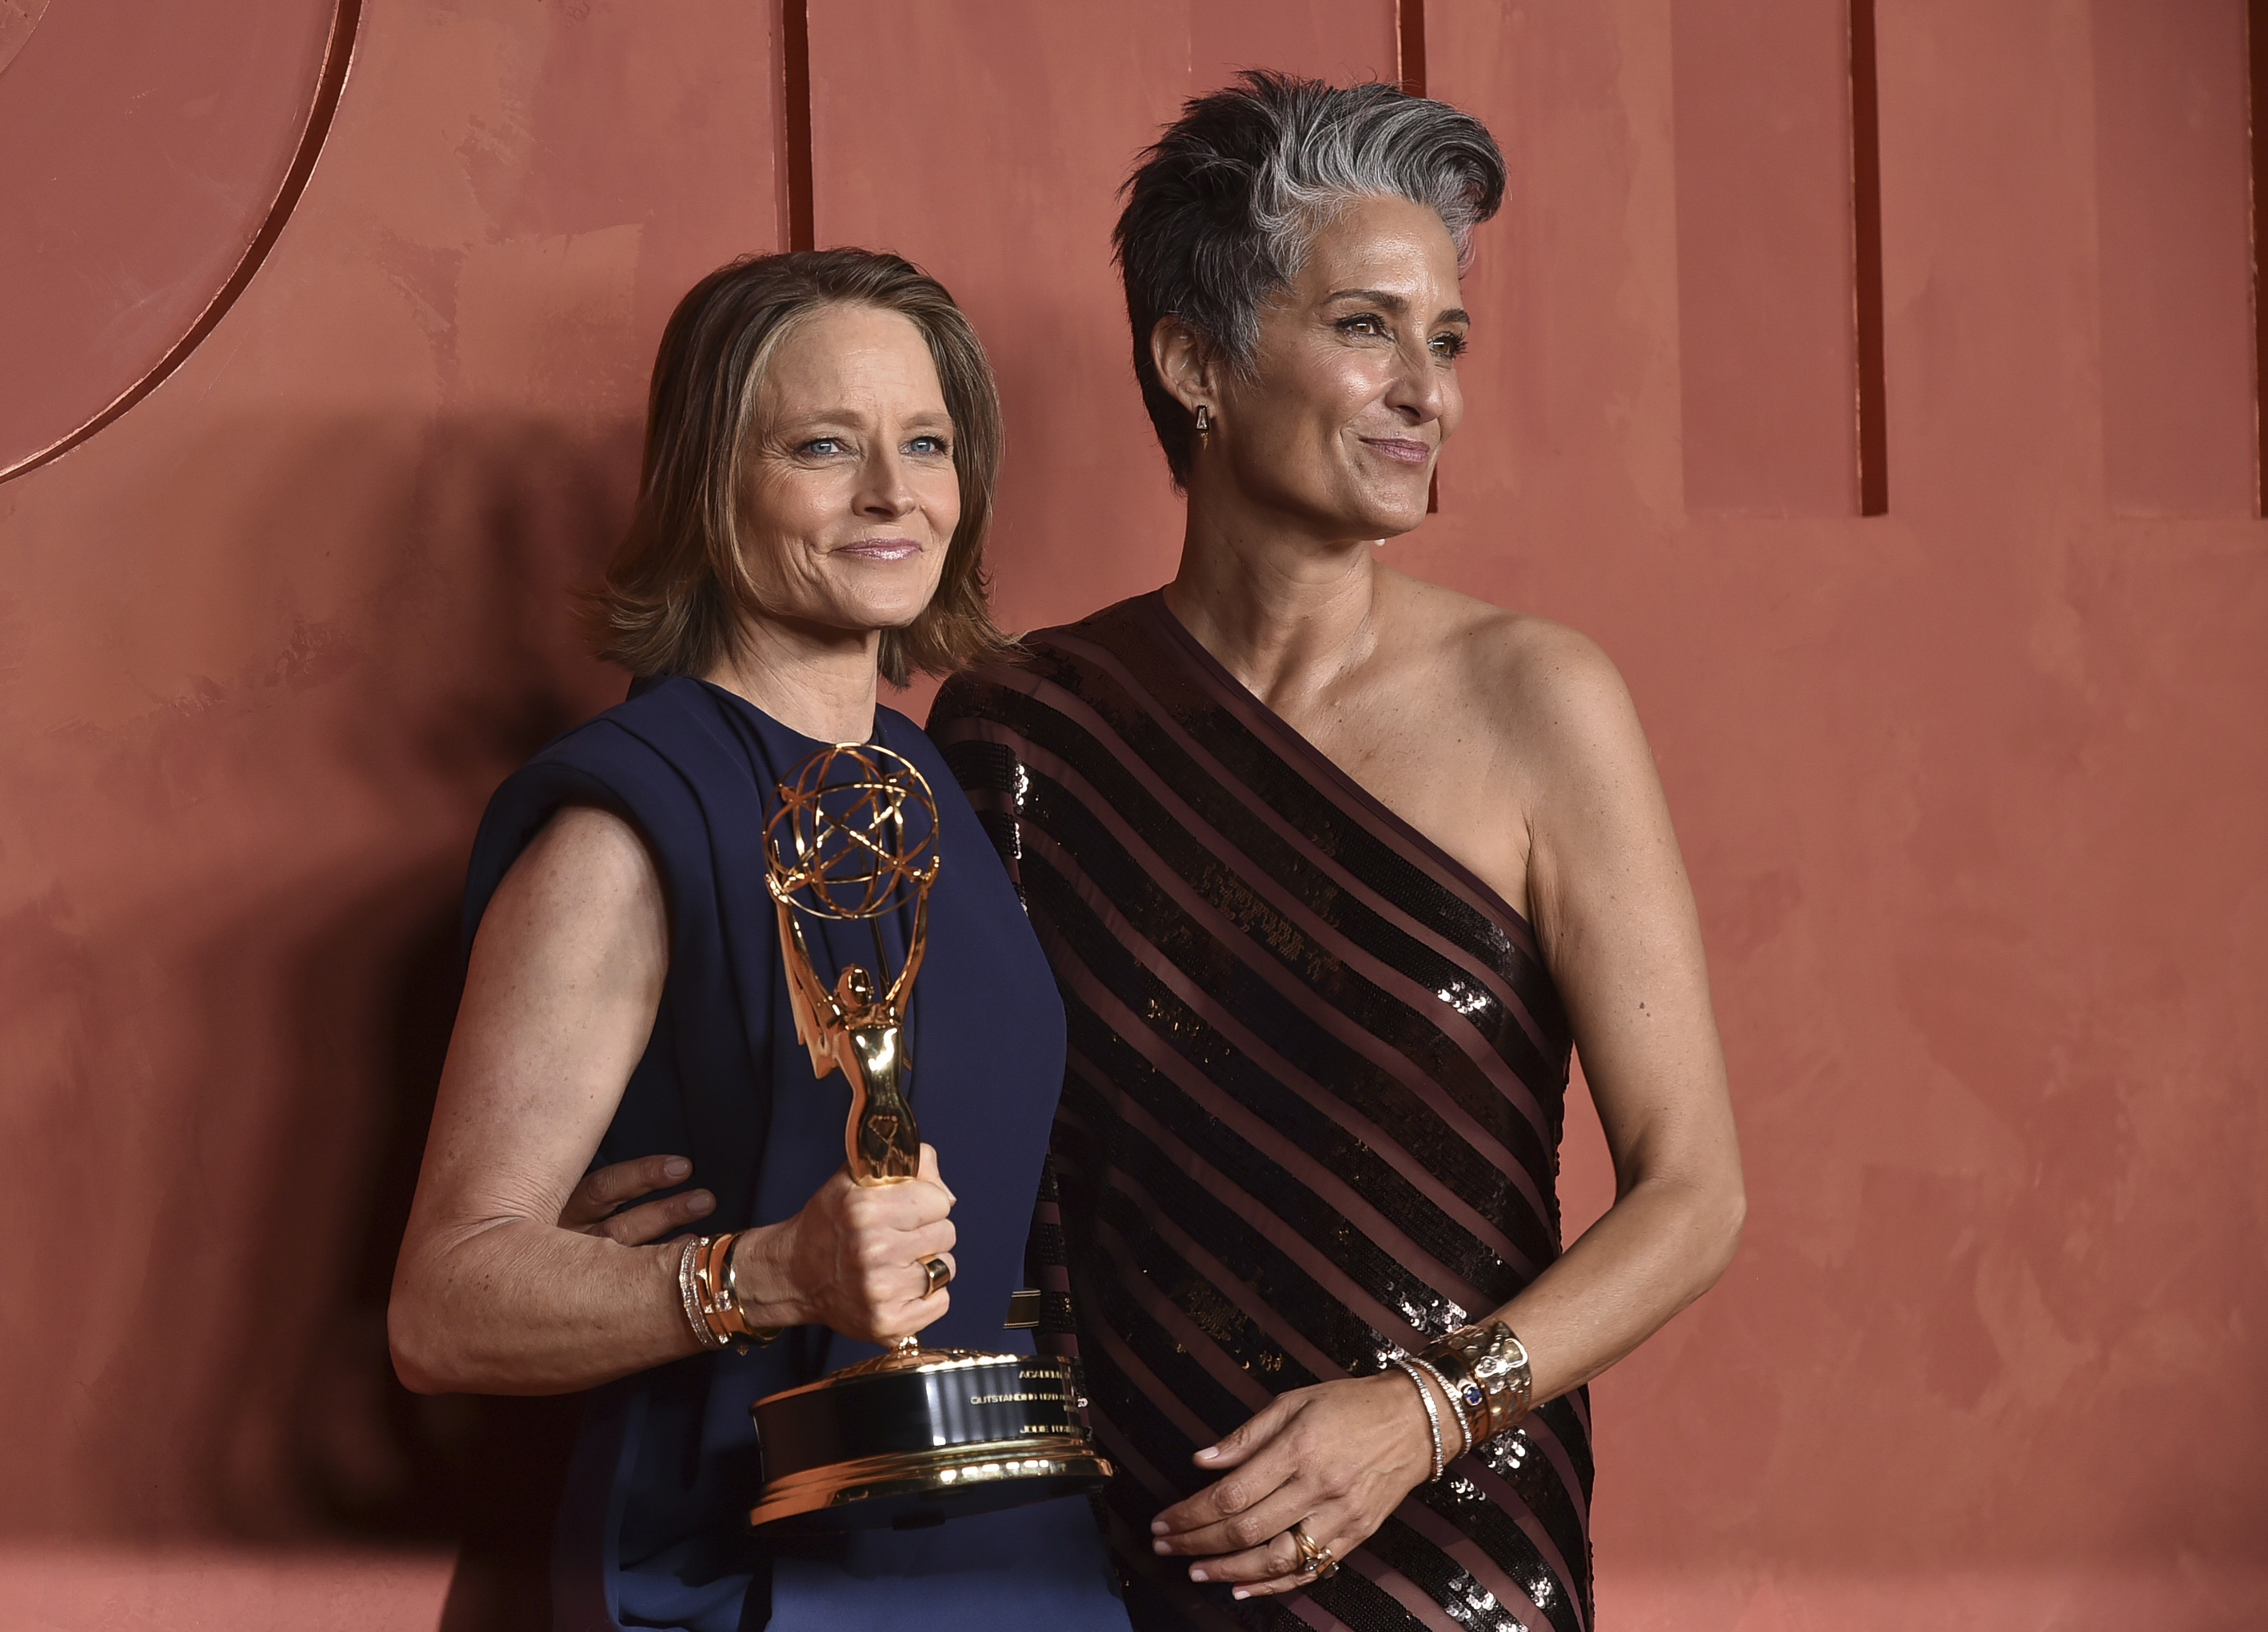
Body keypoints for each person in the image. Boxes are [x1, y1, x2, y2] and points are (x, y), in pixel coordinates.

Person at [927, 74, 1745, 1631]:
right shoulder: (1024, 729)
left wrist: (1425, 1413)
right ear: (1194, 361)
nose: (1427, 391)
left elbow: (1695, 1194)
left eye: (1446, 341)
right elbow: (940, 1143)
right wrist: (701, 1243)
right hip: (1122, 1554)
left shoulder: (1539, 702)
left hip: (1460, 1560)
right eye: (1367, 327)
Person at [388, 249, 1126, 1631]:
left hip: (1018, 1560)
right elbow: (442, 1306)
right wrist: (760, 1273)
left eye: (925, 443)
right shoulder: (628, 822)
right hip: (745, 1569)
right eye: (823, 447)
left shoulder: (932, 788)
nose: (892, 493)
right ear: (711, 482)